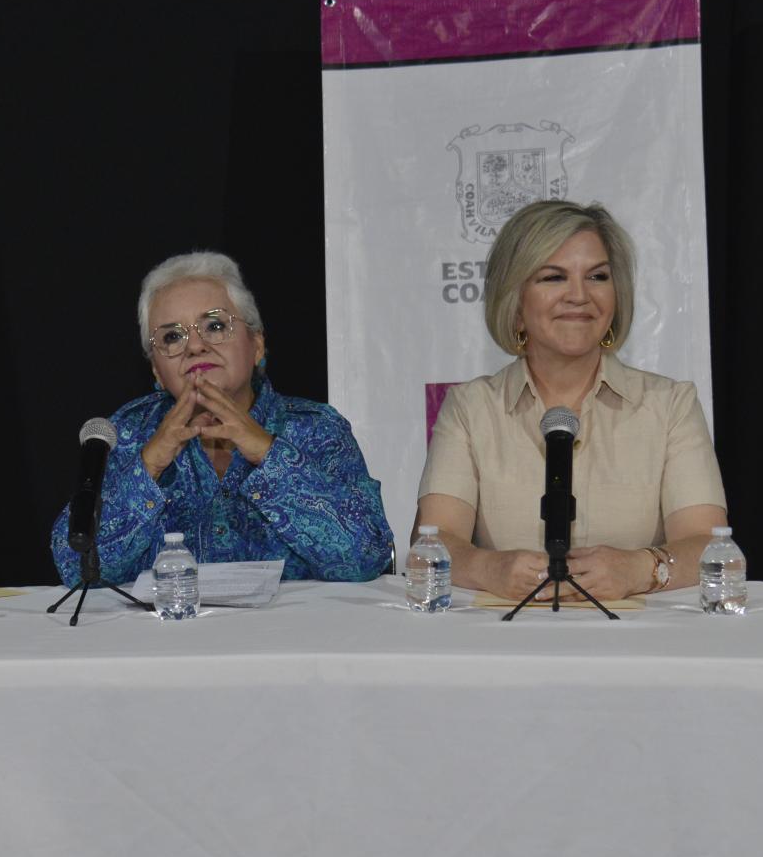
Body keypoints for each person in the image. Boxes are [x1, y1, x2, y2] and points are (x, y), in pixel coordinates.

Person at [415, 199, 728, 601]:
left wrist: (642, 568)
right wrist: (489, 568)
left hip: (638, 641)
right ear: (515, 303)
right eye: (553, 278)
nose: (579, 296)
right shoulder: (470, 408)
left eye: (597, 276)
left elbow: (707, 543)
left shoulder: (671, 405)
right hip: (504, 639)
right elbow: (434, 544)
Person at [49, 251, 392, 585]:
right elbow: (75, 567)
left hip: (291, 640)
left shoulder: (316, 428)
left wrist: (265, 452)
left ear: (256, 345)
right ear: (156, 369)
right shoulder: (125, 434)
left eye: (214, 325)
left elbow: (368, 555)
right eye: (172, 336)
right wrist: (151, 463)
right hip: (167, 638)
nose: (195, 347)